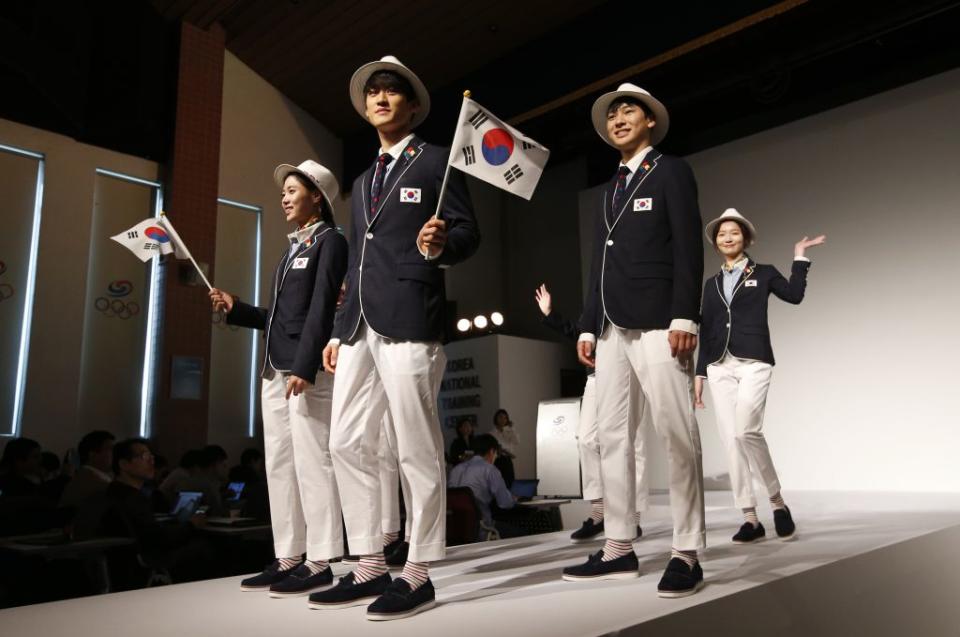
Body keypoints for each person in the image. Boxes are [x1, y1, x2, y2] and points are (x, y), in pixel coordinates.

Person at [317, 55, 479, 621]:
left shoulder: (437, 161)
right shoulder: (361, 182)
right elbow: (357, 258)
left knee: (415, 445)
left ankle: (418, 570)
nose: (381, 99)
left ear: (411, 106)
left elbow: (467, 233)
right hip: (360, 324)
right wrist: (340, 329)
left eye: (392, 92)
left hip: (412, 314)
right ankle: (369, 563)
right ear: (365, 108)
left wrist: (441, 242)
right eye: (373, 94)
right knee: (345, 441)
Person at [564, 83, 707, 598]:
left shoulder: (671, 171)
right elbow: (600, 264)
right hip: (609, 329)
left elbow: (689, 248)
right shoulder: (610, 188)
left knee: (676, 432)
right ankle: (619, 546)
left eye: (629, 110)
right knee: (610, 437)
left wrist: (685, 316)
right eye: (612, 114)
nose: (618, 119)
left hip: (659, 324)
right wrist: (585, 322)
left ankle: (686, 552)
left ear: (651, 121)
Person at [209, 158, 348, 598]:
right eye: (284, 191)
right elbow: (281, 318)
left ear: (317, 197)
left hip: (302, 370)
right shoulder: (291, 249)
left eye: (292, 190)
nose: (284, 197)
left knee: (313, 463)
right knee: (280, 467)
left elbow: (323, 307)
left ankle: (321, 558)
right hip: (274, 369)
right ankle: (289, 556)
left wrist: (306, 366)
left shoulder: (331, 241)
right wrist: (240, 309)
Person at [694, 208, 824, 544]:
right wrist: (699, 375)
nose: (727, 238)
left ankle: (777, 501)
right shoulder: (710, 285)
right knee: (730, 439)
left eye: (734, 232)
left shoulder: (763, 273)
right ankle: (750, 518)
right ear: (715, 242)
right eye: (722, 234)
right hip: (719, 365)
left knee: (747, 430)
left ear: (746, 239)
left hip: (754, 362)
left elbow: (794, 296)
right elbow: (707, 329)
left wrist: (799, 258)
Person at [535, 284, 647, 543]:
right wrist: (550, 314)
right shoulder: (598, 301)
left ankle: (634, 517)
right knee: (586, 438)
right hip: (597, 375)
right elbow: (578, 333)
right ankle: (599, 511)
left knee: (633, 444)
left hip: (633, 373)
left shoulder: (636, 296)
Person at [103, 438, 211, 582]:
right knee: (204, 546)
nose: (151, 461)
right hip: (145, 559)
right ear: (124, 464)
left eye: (151, 456)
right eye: (144, 456)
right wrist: (191, 525)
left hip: (127, 558)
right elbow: (157, 539)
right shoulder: (132, 497)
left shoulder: (115, 491)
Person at [449, 434, 525, 539]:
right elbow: (504, 503)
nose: (496, 457)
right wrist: (513, 498)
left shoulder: (455, 470)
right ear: (492, 451)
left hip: (457, 528)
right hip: (483, 528)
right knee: (522, 532)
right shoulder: (489, 470)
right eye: (496, 454)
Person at [61, 430, 115, 510]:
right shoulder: (95, 483)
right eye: (111, 449)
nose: (116, 454)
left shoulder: (85, 476)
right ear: (92, 455)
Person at [176, 445, 229, 516]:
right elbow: (216, 513)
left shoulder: (187, 480)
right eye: (224, 465)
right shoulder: (208, 485)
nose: (226, 469)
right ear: (215, 463)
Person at [490, 409, 518, 488]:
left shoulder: (509, 431)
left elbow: (516, 441)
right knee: (499, 483)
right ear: (496, 419)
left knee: (510, 482)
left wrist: (512, 428)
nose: (503, 420)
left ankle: (509, 499)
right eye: (501, 417)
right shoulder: (492, 433)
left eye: (505, 418)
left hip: (508, 459)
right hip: (497, 460)